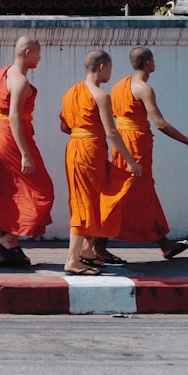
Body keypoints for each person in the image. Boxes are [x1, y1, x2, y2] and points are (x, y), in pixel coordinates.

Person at [92, 47, 188, 263]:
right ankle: (97, 244)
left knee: (145, 192)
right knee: (121, 192)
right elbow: (159, 123)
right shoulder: (144, 88)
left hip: (125, 141)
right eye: (153, 60)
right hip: (135, 145)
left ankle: (165, 244)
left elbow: (114, 115)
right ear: (147, 63)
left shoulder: (120, 85)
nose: (154, 64)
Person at [59, 50, 142, 276]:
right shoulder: (101, 95)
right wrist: (131, 161)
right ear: (102, 67)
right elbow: (112, 133)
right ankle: (72, 260)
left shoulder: (70, 93)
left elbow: (64, 126)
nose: (111, 73)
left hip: (75, 148)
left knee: (95, 197)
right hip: (89, 151)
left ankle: (87, 250)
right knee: (83, 203)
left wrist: (83, 132)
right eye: (111, 68)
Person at [0, 36, 55, 267]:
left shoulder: (2, 72)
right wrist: (25, 153)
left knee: (7, 191)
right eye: (38, 53)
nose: (40, 57)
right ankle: (9, 239)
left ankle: (0, 249)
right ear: (27, 53)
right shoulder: (20, 81)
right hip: (12, 136)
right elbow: (14, 116)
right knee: (42, 190)